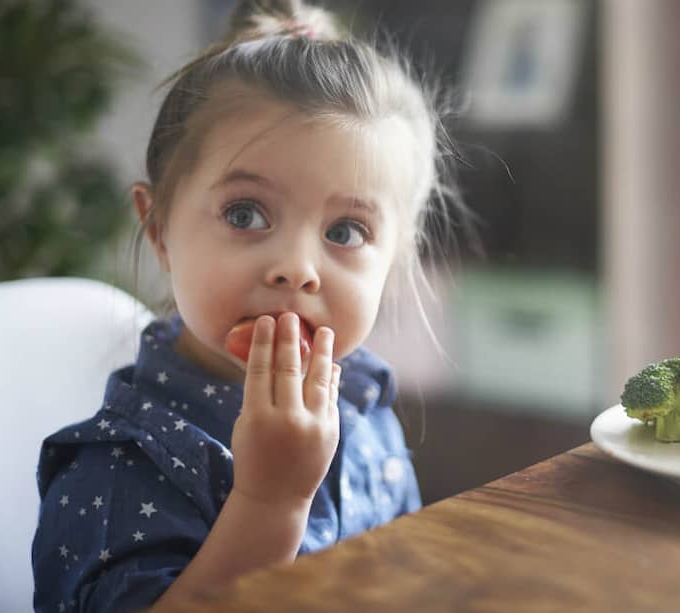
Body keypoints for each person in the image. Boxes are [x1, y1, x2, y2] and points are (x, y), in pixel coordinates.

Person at [31, 0, 469, 610]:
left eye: (345, 232)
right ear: (159, 230)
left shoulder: (366, 408)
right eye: (246, 214)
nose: (297, 267)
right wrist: (271, 502)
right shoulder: (119, 467)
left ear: (394, 262)